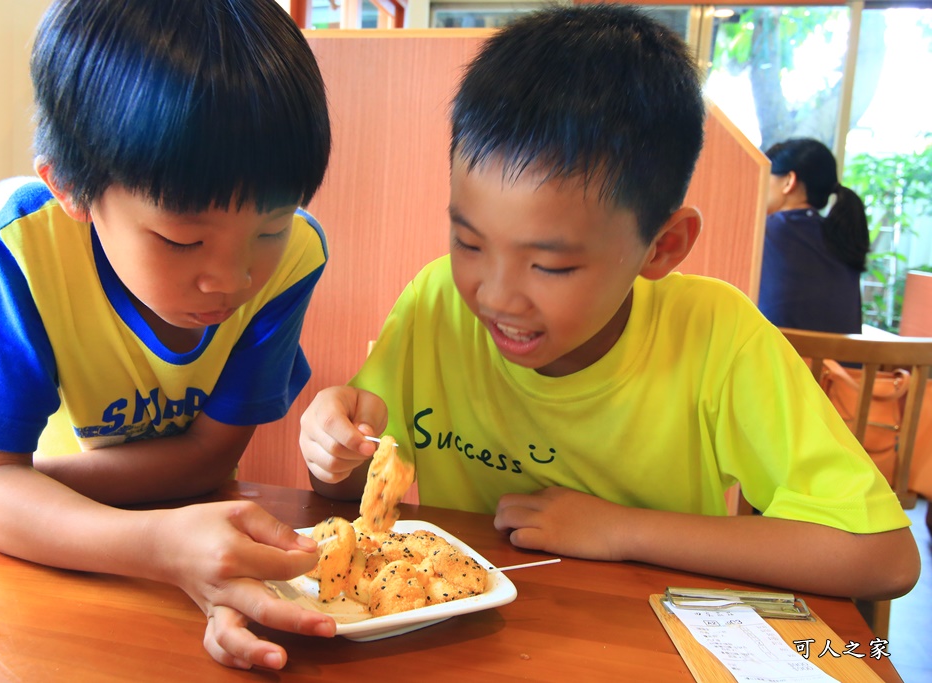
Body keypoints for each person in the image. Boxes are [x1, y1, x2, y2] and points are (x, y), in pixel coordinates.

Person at [299, 4, 919, 602]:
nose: (494, 294)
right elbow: (347, 491)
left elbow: (882, 556)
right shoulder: (438, 303)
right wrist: (332, 452)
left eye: (552, 265)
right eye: (468, 241)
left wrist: (623, 529)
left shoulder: (714, 337)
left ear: (662, 246)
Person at [0, 0, 337, 670]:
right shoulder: (16, 248)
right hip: (55, 575)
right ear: (72, 190)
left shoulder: (297, 261)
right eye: (182, 239)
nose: (232, 280)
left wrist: (0, 484)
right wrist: (152, 543)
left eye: (270, 227)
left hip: (188, 546)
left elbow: (208, 458)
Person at [758, 138, 871, 333]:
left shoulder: (765, 231)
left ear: (789, 181)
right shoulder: (841, 237)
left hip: (780, 362)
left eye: (766, 176)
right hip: (839, 364)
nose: (759, 185)